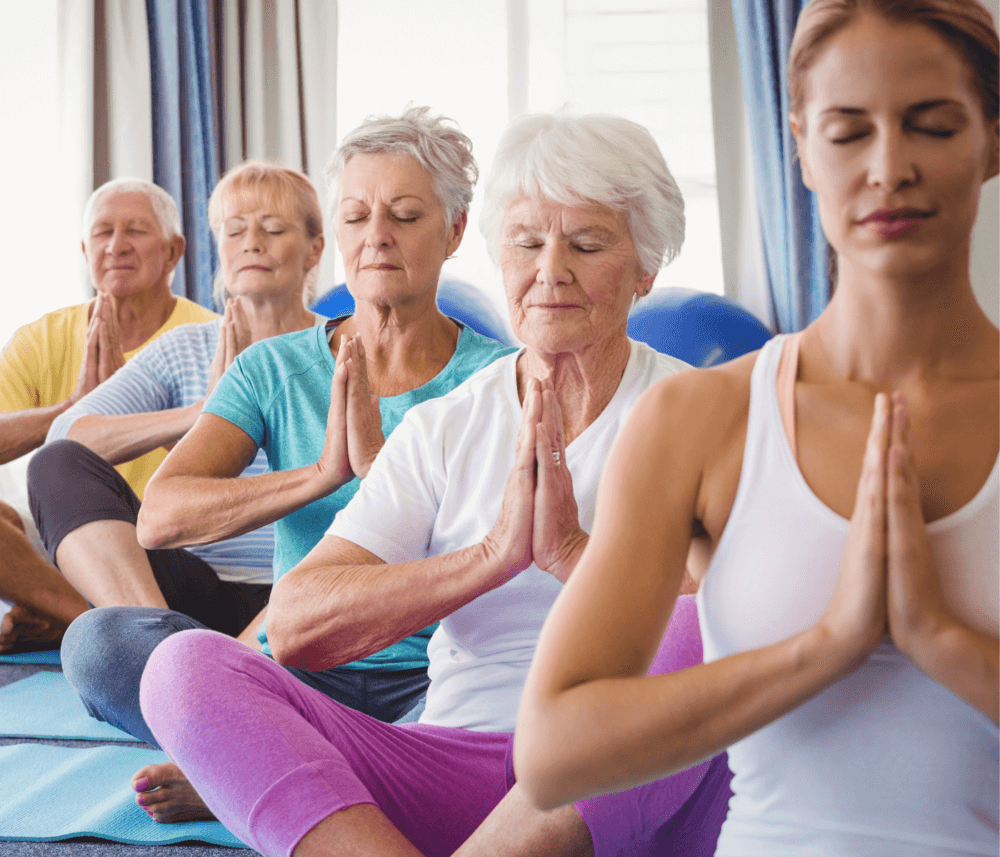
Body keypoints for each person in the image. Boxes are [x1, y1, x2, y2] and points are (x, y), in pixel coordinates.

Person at [138, 112, 733, 857]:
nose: (551, 269)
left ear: (646, 267)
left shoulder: (708, 413)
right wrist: (490, 556)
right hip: (452, 760)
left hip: (628, 778)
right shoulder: (446, 426)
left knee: (709, 627)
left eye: (586, 243)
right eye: (526, 242)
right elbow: (293, 626)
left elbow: (754, 624)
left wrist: (572, 553)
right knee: (182, 669)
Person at [515, 2, 1000, 855]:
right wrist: (826, 646)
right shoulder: (700, 419)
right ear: (802, 146)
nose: (890, 167)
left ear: (992, 139)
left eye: (930, 125)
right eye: (849, 132)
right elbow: (555, 752)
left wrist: (940, 639)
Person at [69, 107, 510, 761]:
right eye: (357, 217)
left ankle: (254, 757)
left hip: (437, 672)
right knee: (97, 646)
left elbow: (504, 552)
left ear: (454, 230)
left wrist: (382, 471)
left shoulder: (499, 378)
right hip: (297, 666)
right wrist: (322, 474)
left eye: (406, 216)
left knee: (512, 710)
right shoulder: (273, 367)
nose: (377, 237)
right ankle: (331, 756)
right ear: (336, 231)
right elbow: (159, 518)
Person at [30, 162, 328, 732]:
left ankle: (206, 708)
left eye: (272, 228)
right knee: (56, 467)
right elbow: (65, 435)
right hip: (196, 598)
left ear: (314, 248)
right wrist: (201, 413)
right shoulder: (185, 350)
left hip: (304, 591)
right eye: (235, 230)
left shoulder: (345, 348)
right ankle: (165, 653)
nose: (252, 244)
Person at [0, 178, 217, 652]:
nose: (117, 246)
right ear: (85, 249)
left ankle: (72, 616)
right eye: (102, 233)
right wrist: (71, 409)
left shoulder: (207, 338)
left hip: (162, 547)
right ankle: (85, 616)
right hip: (63, 537)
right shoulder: (42, 337)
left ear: (173, 251)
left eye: (135, 231)